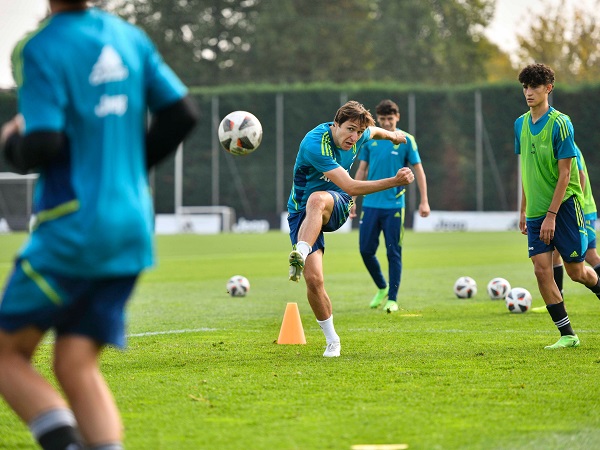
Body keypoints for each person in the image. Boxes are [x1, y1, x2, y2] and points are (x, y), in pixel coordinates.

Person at [0, 1, 198, 449]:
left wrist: (11, 141)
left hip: (73, 229)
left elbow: (43, 142)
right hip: (129, 229)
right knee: (75, 364)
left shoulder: (41, 46)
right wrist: (128, 168)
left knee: (6, 356)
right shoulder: (129, 36)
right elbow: (184, 113)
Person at [286, 100, 415, 357]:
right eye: (349, 130)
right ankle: (333, 340)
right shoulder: (315, 144)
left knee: (318, 198)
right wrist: (396, 181)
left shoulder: (360, 133)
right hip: (301, 213)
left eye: (358, 132)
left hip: (337, 205)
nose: (354, 137)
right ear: (335, 125)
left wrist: (393, 136)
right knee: (314, 280)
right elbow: (353, 185)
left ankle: (299, 252)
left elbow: (375, 131)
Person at [514, 63, 600, 349]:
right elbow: (526, 170)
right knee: (541, 270)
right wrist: (524, 210)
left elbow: (566, 174)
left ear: (548, 88)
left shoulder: (561, 123)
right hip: (537, 213)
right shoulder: (520, 124)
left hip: (563, 209)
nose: (529, 92)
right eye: (525, 87)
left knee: (578, 273)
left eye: (535, 86)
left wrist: (551, 215)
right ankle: (567, 335)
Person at [352, 99, 430, 313]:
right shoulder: (369, 139)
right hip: (370, 203)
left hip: (394, 205)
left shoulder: (407, 140)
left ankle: (393, 299)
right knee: (365, 250)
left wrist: (424, 200)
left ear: (398, 118)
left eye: (390, 119)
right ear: (378, 119)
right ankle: (382, 287)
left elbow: (419, 171)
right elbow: (361, 171)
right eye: (383, 119)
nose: (386, 123)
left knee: (393, 251)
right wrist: (353, 199)